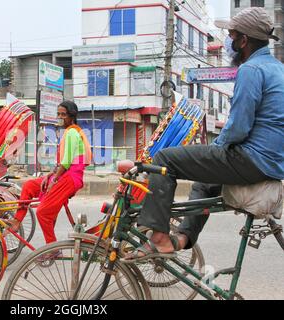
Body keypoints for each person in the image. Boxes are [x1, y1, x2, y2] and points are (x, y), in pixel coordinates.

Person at [122, 7, 284, 263]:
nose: (229, 43)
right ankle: (184, 236)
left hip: (253, 158)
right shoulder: (278, 69)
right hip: (271, 161)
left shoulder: (251, 70)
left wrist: (218, 146)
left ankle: (159, 238)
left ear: (243, 40)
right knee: (206, 181)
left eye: (231, 36)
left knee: (163, 160)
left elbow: (239, 128)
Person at [5, 100, 92, 248]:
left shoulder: (72, 132)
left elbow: (66, 162)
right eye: (58, 114)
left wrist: (54, 180)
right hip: (64, 175)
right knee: (30, 186)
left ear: (72, 116)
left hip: (69, 178)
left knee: (43, 213)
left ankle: (51, 248)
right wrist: (50, 175)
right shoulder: (70, 132)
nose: (60, 117)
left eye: (63, 114)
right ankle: (17, 220)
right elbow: (63, 163)